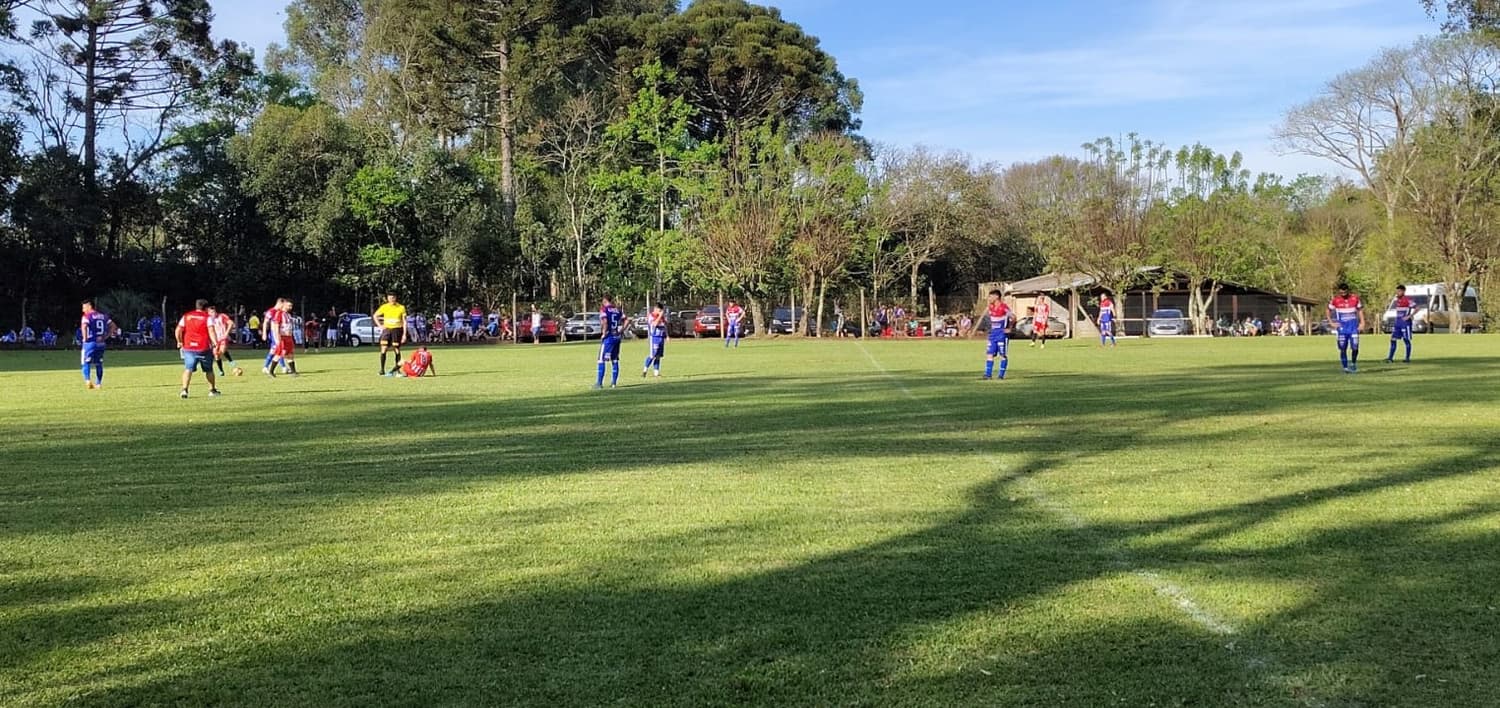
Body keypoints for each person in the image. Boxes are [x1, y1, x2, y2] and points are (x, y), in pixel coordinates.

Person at [175, 299, 221, 398]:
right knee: (209, 370)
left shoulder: (186, 316)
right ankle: (212, 390)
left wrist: (179, 341)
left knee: (188, 369)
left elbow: (178, 329)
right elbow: (211, 331)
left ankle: (184, 390)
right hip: (203, 347)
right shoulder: (207, 317)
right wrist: (215, 343)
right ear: (206, 308)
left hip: (189, 347)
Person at [79, 299, 119, 390]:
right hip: (101, 343)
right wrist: (106, 336)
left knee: (85, 362)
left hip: (90, 342)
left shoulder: (86, 316)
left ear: (89, 306)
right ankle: (98, 383)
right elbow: (113, 326)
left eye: (84, 307)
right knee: (98, 363)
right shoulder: (103, 316)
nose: (83, 310)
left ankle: (88, 380)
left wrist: (85, 339)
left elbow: (84, 326)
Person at [1329, 283, 1366, 373]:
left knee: (1355, 347)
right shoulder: (1335, 300)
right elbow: (1328, 310)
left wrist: (1362, 322)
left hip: (1353, 328)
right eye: (1341, 292)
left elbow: (1360, 310)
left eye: (1345, 292)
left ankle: (1353, 363)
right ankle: (1345, 367)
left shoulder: (1355, 298)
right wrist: (1331, 322)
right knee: (1342, 348)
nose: (1343, 294)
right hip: (1342, 329)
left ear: (1348, 291)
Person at [594, 295, 626, 389]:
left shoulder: (604, 310)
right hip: (617, 337)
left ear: (604, 300)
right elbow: (627, 320)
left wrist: (604, 333)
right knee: (614, 359)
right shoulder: (617, 310)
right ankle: (614, 383)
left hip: (609, 337)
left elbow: (605, 321)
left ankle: (599, 383)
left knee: (601, 359)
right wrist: (621, 330)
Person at [982, 290, 1013, 380]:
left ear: (996, 297)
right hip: (993, 335)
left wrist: (1009, 328)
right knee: (989, 353)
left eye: (990, 296)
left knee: (1003, 355)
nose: (989, 299)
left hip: (1002, 335)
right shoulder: (991, 307)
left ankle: (1001, 375)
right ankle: (988, 375)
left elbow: (1013, 317)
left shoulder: (1004, 307)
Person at [375, 293, 408, 376]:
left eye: (393, 298)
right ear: (387, 298)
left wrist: (404, 334)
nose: (391, 299)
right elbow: (375, 315)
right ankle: (382, 369)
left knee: (396, 349)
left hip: (397, 330)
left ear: (395, 298)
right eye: (389, 298)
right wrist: (380, 326)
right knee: (384, 348)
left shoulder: (401, 307)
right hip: (387, 330)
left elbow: (404, 321)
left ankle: (397, 370)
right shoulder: (384, 307)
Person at [206, 305, 244, 378]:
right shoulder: (208, 319)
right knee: (216, 354)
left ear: (216, 311)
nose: (212, 314)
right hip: (215, 339)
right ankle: (221, 371)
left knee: (222, 351)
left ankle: (231, 362)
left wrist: (226, 333)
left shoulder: (222, 316)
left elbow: (231, 323)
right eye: (211, 312)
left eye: (213, 312)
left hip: (223, 338)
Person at [1386, 284, 1416, 364]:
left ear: (1403, 291)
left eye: (1399, 291)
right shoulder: (1397, 300)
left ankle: (1407, 358)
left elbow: (1417, 308)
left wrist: (1410, 316)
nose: (1397, 293)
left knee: (1406, 340)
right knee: (1393, 339)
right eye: (1397, 291)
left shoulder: (1408, 300)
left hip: (1405, 324)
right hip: (1397, 323)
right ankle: (1390, 358)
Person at [641, 304, 668, 378]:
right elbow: (655, 324)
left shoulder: (662, 317)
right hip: (654, 338)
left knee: (658, 356)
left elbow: (664, 326)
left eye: (661, 311)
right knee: (652, 355)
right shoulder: (651, 316)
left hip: (661, 337)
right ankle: (645, 370)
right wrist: (659, 316)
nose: (661, 312)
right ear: (655, 309)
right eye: (659, 310)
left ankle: (656, 373)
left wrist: (667, 336)